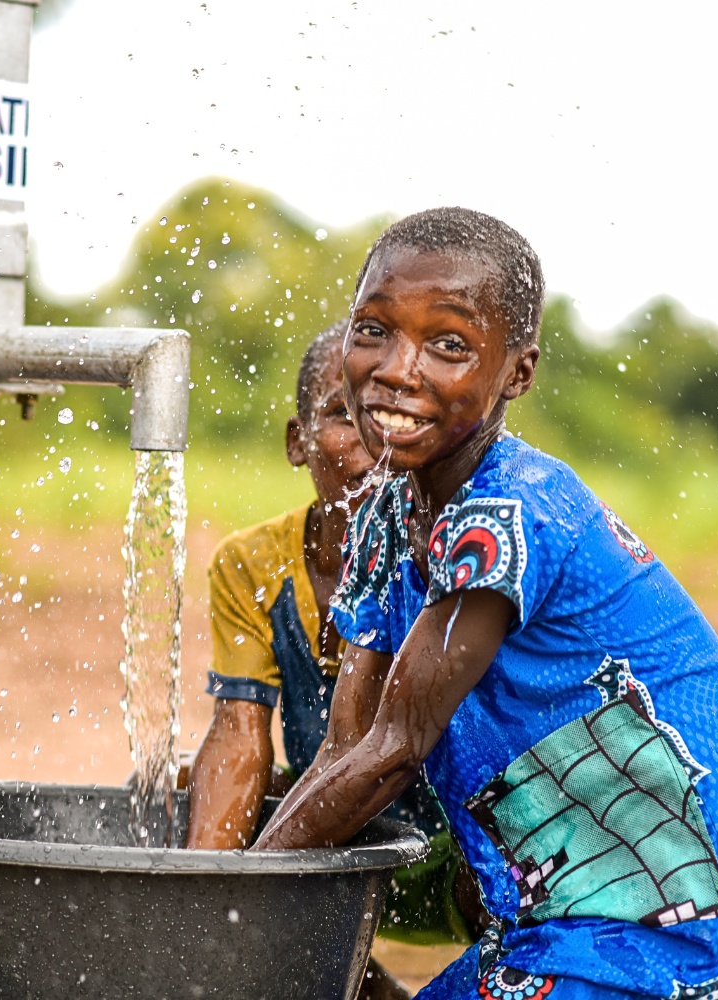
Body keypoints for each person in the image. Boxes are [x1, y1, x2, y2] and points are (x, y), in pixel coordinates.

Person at [254, 208, 718, 1000]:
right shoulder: (387, 515)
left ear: (518, 373)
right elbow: (345, 747)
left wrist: (225, 908)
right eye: (373, 330)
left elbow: (394, 751)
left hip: (670, 920)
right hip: (553, 915)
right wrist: (239, 887)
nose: (397, 370)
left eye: (448, 344)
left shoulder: (513, 512)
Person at [186, 322, 482, 999]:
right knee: (201, 791)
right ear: (299, 442)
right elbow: (238, 734)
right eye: (343, 419)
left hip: (458, 857)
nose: (370, 445)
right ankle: (349, 981)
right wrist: (205, 902)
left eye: (387, 420)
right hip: (339, 844)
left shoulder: (453, 558)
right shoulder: (253, 564)